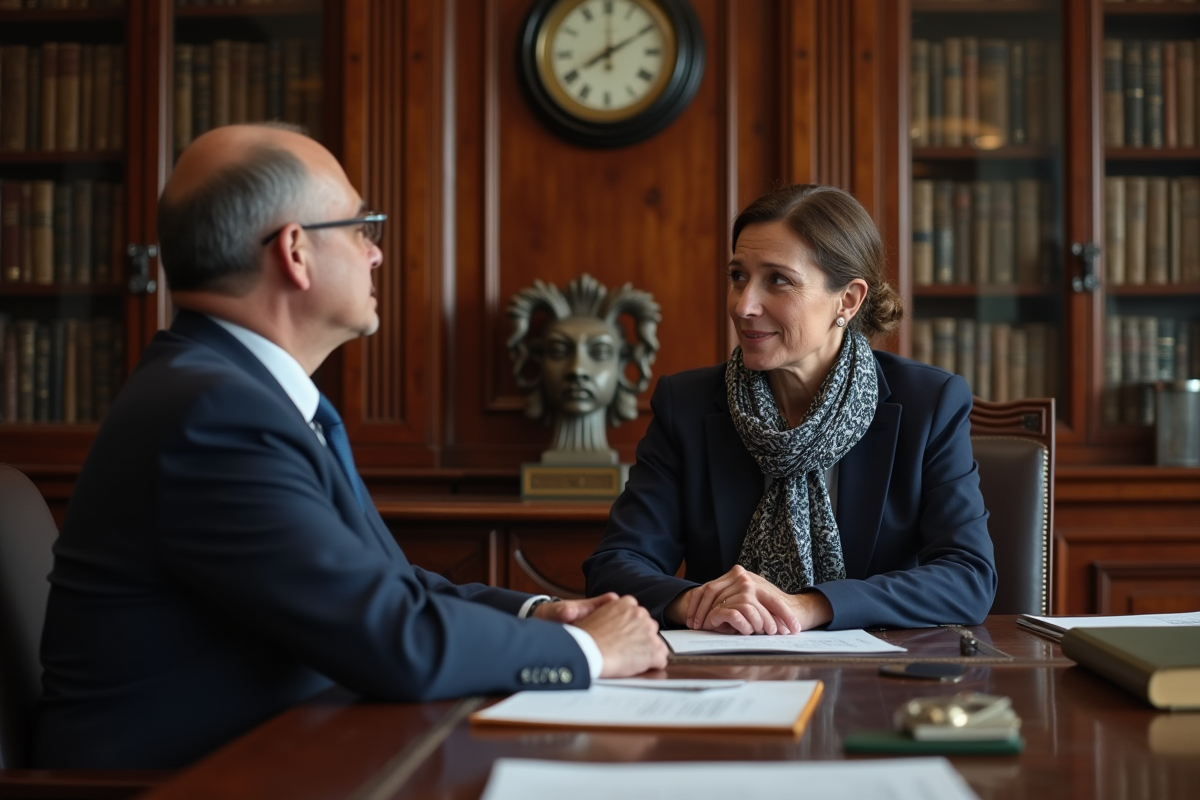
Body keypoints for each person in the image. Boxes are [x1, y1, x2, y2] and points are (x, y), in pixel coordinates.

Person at [33, 123, 667, 770]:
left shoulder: (235, 393)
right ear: (296, 252)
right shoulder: (213, 414)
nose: (376, 253)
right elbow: (394, 639)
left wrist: (541, 614)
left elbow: (387, 589)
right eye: (362, 226)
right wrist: (589, 651)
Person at [584, 184, 996, 634]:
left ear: (849, 299)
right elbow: (614, 566)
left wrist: (807, 607)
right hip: (725, 674)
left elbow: (966, 578)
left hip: (878, 683)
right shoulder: (685, 405)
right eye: (738, 276)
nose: (744, 305)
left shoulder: (927, 404)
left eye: (777, 280)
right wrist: (698, 603)